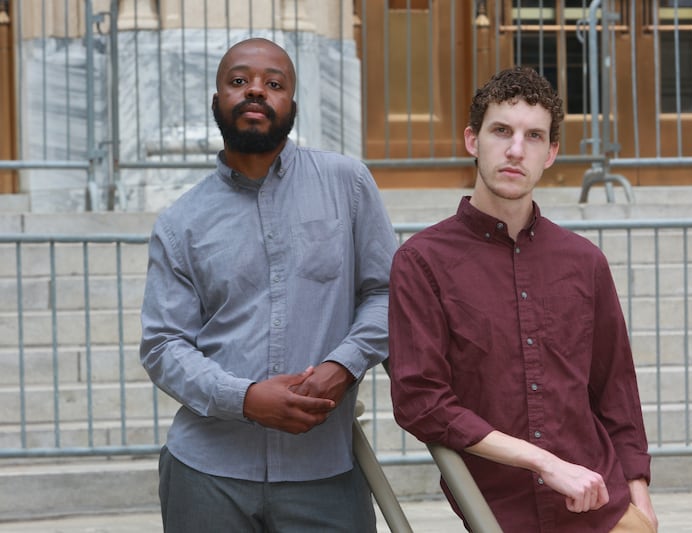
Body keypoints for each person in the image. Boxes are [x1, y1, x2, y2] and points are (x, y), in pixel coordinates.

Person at [140, 37, 397, 532]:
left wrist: (343, 366)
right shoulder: (181, 222)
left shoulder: (348, 184)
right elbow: (163, 345)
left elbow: (387, 293)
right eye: (239, 81)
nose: (255, 91)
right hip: (207, 475)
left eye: (273, 84)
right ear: (216, 101)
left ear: (292, 105)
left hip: (324, 473)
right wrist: (244, 397)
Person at [388, 66, 658, 532]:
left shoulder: (585, 262)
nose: (516, 150)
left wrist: (641, 501)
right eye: (501, 131)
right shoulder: (421, 262)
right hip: (499, 513)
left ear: (551, 152)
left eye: (534, 136)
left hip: (605, 511)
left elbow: (615, 390)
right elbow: (422, 402)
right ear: (472, 140)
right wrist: (544, 463)